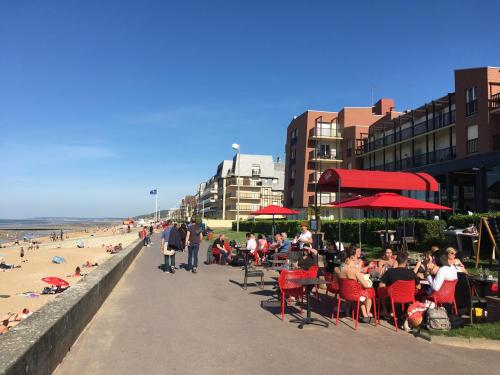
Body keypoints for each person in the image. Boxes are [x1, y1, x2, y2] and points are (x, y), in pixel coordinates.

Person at [335, 246, 374, 323]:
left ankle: (349, 310)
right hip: (355, 294)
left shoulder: (339, 268)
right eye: (355, 256)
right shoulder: (354, 270)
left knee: (359, 292)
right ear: (352, 257)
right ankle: (365, 315)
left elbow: (337, 280)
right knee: (367, 291)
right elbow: (365, 285)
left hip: (343, 293)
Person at [378, 252, 420, 320]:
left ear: (396, 261)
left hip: (394, 296)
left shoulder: (390, 271)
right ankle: (394, 311)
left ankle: (385, 311)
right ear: (406, 261)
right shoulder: (411, 272)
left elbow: (381, 286)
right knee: (393, 291)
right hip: (409, 297)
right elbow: (418, 287)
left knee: (382, 290)